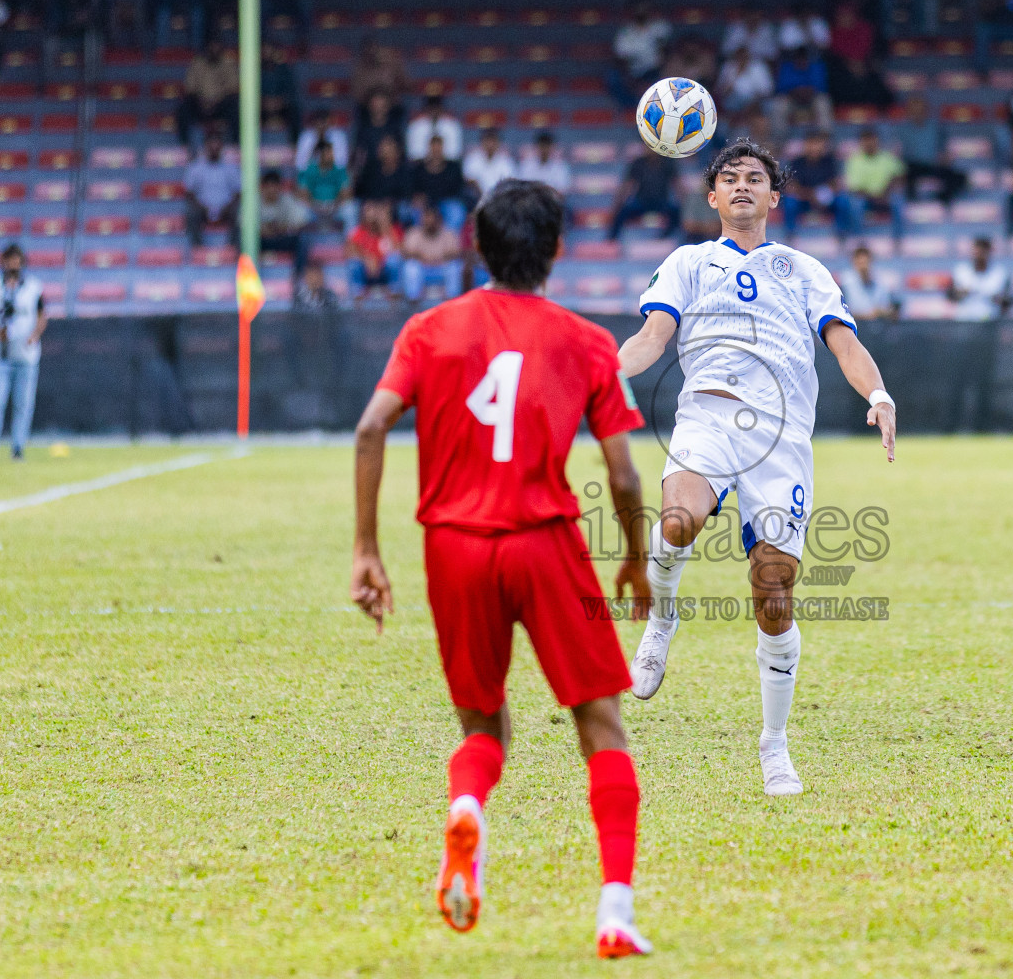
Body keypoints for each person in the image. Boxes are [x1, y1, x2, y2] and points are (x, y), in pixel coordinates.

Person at [350, 179, 654, 957]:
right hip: (545, 541)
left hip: (453, 546)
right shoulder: (586, 340)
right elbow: (622, 475)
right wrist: (633, 560)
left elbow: (372, 426)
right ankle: (614, 911)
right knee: (601, 723)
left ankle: (468, 806)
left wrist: (367, 550)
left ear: (476, 245)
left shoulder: (428, 329)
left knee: (484, 723)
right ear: (556, 250)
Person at [616, 138, 897, 796]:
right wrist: (604, 371)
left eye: (756, 179)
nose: (743, 186)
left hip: (780, 438)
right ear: (711, 197)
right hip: (708, 420)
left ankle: (774, 745)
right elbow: (653, 339)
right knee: (679, 520)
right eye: (730, 178)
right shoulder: (686, 262)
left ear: (775, 197)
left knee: (773, 592)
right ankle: (661, 622)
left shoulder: (803, 270)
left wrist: (878, 393)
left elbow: (844, 341)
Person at [0, 244, 46, 463]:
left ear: (22, 262)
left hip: (25, 355)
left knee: (23, 404)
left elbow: (42, 316)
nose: (12, 264)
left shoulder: (33, 287)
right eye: (9, 260)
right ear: (2, 261)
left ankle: (18, 448)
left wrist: (34, 335)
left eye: (16, 260)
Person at [781, 131, 855, 240]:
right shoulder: (797, 162)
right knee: (789, 201)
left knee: (843, 200)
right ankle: (790, 234)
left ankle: (842, 233)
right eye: (812, 144)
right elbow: (792, 186)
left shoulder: (829, 161)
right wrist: (811, 195)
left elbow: (835, 183)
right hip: (804, 199)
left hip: (825, 199)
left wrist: (822, 194)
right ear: (806, 145)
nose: (815, 147)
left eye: (818, 144)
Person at [898, 96, 967, 207]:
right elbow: (898, 153)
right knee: (905, 174)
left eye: (920, 109)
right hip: (912, 166)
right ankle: (912, 204)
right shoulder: (902, 129)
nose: (917, 113)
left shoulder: (936, 127)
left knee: (961, 178)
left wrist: (945, 158)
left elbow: (944, 150)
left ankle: (941, 199)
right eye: (914, 110)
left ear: (926, 110)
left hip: (933, 165)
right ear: (909, 111)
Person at [843, 128, 906, 244]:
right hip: (866, 198)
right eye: (865, 141)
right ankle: (858, 239)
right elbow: (854, 187)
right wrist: (874, 196)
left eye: (871, 140)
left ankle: (898, 239)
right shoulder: (854, 160)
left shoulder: (887, 157)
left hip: (885, 195)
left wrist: (886, 192)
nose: (869, 144)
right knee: (855, 204)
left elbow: (899, 176)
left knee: (898, 200)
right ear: (860, 143)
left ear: (877, 141)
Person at [183, 131, 241, 247]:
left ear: (222, 147)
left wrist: (227, 207)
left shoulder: (231, 167)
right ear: (205, 146)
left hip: (226, 208)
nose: (214, 148)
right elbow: (189, 193)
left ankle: (232, 249)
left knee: (240, 214)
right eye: (211, 145)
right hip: (202, 208)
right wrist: (203, 207)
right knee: (191, 213)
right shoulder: (195, 167)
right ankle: (197, 250)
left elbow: (238, 192)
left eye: (217, 144)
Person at [177, 40, 240, 145]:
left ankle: (235, 144)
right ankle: (185, 145)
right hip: (200, 105)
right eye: (212, 47)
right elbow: (190, 88)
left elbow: (233, 87)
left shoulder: (228, 63)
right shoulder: (197, 63)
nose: (214, 50)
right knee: (183, 109)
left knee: (236, 108)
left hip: (221, 105)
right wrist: (202, 101)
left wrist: (217, 101)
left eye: (217, 47)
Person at [607, 151, 681, 241]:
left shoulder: (668, 163)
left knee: (677, 212)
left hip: (661, 202)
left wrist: (684, 204)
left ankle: (666, 237)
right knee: (622, 211)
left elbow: (676, 184)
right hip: (641, 202)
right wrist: (618, 204)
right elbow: (628, 185)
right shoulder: (638, 163)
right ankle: (611, 239)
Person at [401, 204, 464, 303]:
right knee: (411, 267)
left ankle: (452, 299)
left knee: (454, 266)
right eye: (426, 219)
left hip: (441, 268)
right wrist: (422, 257)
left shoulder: (448, 232)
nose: (429, 222)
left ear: (438, 220)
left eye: (432, 219)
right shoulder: (414, 232)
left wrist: (440, 258)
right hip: (423, 269)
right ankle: (413, 300)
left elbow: (456, 253)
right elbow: (406, 253)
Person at [346, 199, 403, 300]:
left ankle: (394, 292)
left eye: (373, 210)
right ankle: (358, 294)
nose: (371, 214)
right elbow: (350, 252)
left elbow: (398, 250)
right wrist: (366, 259)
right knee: (354, 263)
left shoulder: (390, 230)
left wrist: (385, 227)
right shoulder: (358, 231)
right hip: (366, 270)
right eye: (368, 210)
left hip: (383, 270)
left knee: (394, 260)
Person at [409, 134, 468, 233]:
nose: (436, 150)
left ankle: (449, 240)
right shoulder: (419, 168)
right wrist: (418, 198)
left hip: (447, 202)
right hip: (426, 203)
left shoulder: (453, 167)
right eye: (433, 147)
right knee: (414, 210)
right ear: (429, 148)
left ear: (443, 147)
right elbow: (414, 190)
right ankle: (420, 240)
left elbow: (458, 189)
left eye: (438, 146)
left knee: (456, 211)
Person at [257, 170, 311, 278]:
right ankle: (248, 275)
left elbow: (304, 220)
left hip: (279, 239)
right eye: (269, 187)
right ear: (263, 188)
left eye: (275, 187)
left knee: (303, 239)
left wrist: (281, 228)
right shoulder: (254, 201)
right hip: (260, 241)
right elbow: (242, 223)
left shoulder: (286, 199)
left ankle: (298, 277)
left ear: (279, 188)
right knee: (243, 238)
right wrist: (262, 229)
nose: (272, 191)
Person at [949, 236, 1013, 321]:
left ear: (989, 252)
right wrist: (962, 293)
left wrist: (997, 299)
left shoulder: (1000, 273)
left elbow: (1008, 300)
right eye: (976, 251)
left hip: (991, 321)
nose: (979, 255)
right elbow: (950, 296)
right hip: (965, 321)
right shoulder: (960, 271)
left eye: (983, 251)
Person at [771, 46, 832, 131]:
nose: (801, 61)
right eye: (799, 59)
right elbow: (780, 88)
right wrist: (795, 92)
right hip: (792, 99)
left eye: (804, 59)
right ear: (794, 59)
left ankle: (825, 136)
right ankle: (779, 139)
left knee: (823, 102)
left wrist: (807, 92)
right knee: (779, 106)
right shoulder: (786, 68)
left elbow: (822, 87)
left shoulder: (816, 67)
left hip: (812, 99)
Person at [350, 35, 409, 122]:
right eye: (368, 49)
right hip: (367, 110)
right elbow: (356, 93)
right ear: (364, 51)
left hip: (392, 107)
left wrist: (387, 101)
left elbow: (406, 85)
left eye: (374, 49)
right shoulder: (359, 70)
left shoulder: (392, 64)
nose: (372, 52)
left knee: (402, 109)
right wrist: (374, 102)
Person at [297, 139, 352, 231]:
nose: (331, 156)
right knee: (299, 211)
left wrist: (333, 207)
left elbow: (346, 194)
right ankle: (304, 242)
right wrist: (316, 207)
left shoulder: (340, 171)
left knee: (350, 210)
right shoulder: (309, 170)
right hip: (314, 207)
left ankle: (349, 241)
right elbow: (303, 194)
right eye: (327, 153)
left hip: (335, 207)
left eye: (331, 152)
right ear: (319, 155)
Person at [838, 245, 899, 320]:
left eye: (865, 262)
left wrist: (882, 312)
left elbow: (889, 310)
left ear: (871, 261)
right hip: (853, 326)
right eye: (860, 263)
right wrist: (867, 315)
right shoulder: (844, 283)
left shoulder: (881, 283)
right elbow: (840, 312)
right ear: (854, 263)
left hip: (877, 326)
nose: (863, 267)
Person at [355, 134, 412, 208]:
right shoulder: (371, 169)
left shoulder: (405, 172)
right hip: (373, 207)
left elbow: (406, 196)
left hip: (395, 208)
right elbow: (363, 191)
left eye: (387, 146)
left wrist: (390, 203)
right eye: (382, 146)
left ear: (397, 151)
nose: (383, 149)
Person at [462, 127, 518, 203]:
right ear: (482, 142)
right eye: (487, 141)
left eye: (493, 141)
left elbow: (509, 182)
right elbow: (469, 180)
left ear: (498, 142)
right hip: (476, 199)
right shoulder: (472, 158)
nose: (490, 144)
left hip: (500, 199)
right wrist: (484, 196)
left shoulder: (506, 161)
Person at [259, 42, 301, 142]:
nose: (267, 54)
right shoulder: (255, 70)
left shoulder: (284, 69)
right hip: (260, 105)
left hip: (281, 104)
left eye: (269, 51)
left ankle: (295, 143)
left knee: (295, 107)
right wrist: (263, 102)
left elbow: (290, 90)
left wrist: (280, 101)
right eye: (264, 52)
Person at [406, 93, 462, 162]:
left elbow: (454, 154)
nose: (434, 110)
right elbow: (414, 154)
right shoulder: (415, 126)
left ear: (441, 107)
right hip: (421, 167)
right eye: (431, 107)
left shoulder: (452, 126)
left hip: (447, 166)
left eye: (436, 106)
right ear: (426, 108)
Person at [515, 131, 571, 195]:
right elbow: (521, 188)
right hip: (531, 201)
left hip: (552, 202)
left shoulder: (560, 166)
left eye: (547, 146)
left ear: (552, 147)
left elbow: (562, 191)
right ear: (536, 146)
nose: (544, 149)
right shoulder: (526, 165)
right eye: (542, 146)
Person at [295, 108, 348, 172]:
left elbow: (342, 162)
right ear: (314, 123)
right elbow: (300, 163)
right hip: (311, 174)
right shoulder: (306, 136)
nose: (322, 126)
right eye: (320, 123)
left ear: (330, 122)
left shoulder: (338, 135)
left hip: (333, 173)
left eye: (325, 123)